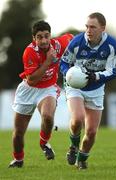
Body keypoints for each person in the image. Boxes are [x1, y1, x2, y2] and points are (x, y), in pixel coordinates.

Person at [8, 20, 73, 168]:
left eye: (46, 36)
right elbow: (32, 80)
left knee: (48, 116)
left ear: (50, 35)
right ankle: (18, 160)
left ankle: (44, 143)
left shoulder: (58, 44)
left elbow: (74, 39)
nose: (43, 40)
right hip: (28, 90)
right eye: (39, 37)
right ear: (34, 39)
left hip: (48, 88)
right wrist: (48, 61)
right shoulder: (29, 52)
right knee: (18, 133)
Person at [60, 12, 116, 170]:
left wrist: (96, 76)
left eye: (93, 27)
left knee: (91, 132)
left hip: (96, 88)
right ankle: (73, 146)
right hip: (75, 86)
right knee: (78, 118)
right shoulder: (76, 42)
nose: (88, 30)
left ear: (103, 29)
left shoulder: (112, 45)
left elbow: (113, 71)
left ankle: (82, 157)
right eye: (87, 26)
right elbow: (64, 63)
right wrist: (71, 75)